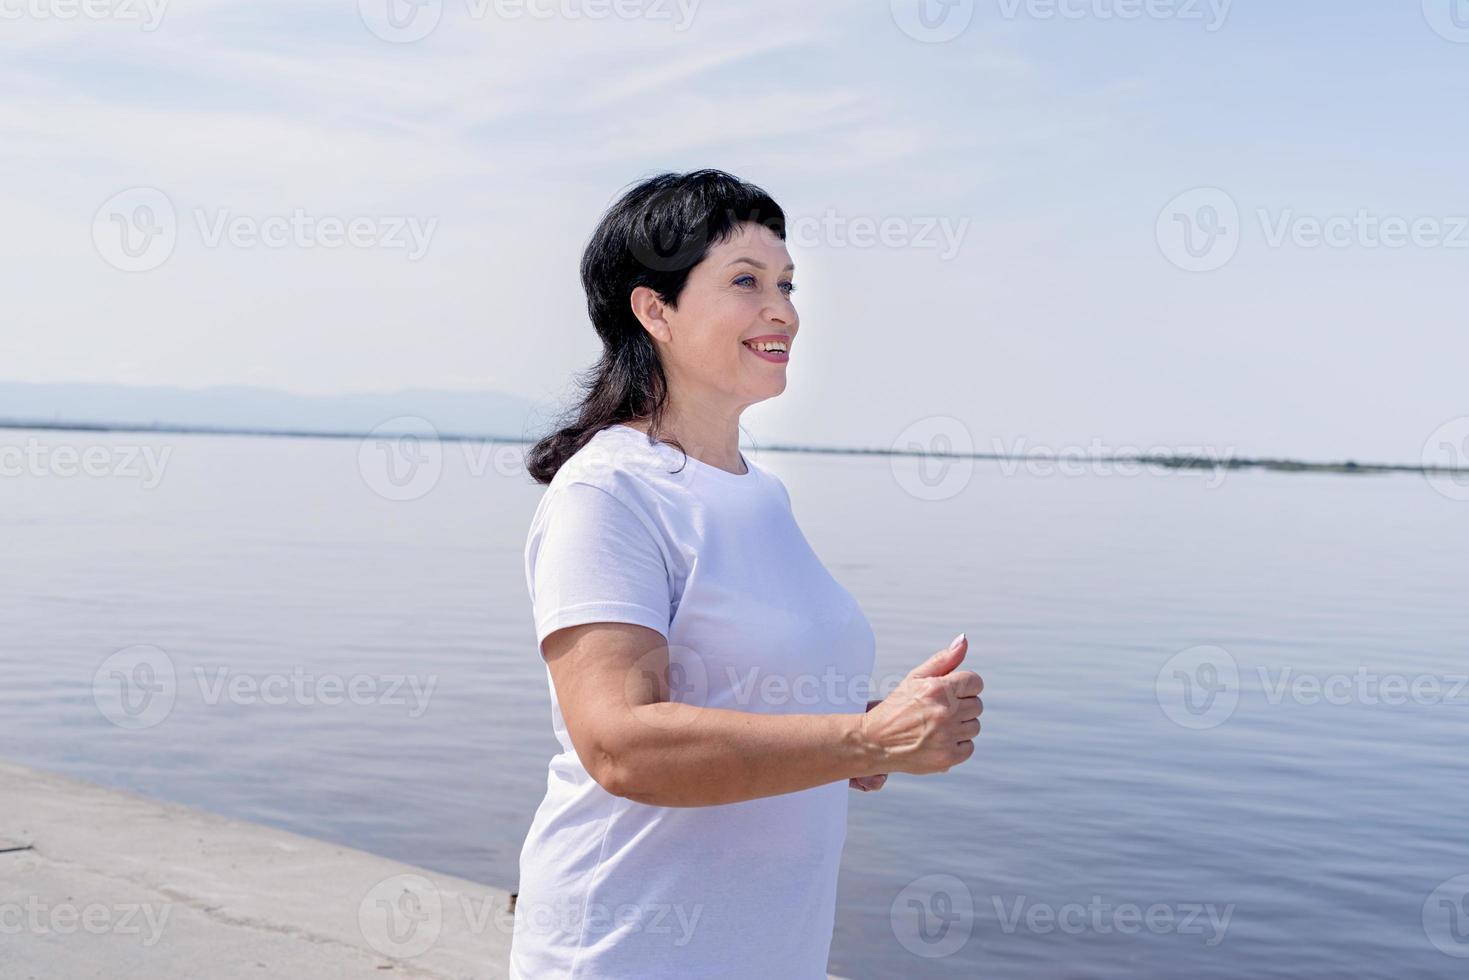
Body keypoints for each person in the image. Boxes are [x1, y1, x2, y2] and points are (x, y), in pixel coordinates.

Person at [512, 169, 983, 979]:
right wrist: (861, 736)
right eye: (745, 282)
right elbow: (620, 745)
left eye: (787, 284)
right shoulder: (609, 490)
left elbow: (752, 698)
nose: (784, 311)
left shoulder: (759, 493)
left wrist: (864, 736)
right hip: (629, 952)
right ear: (653, 310)